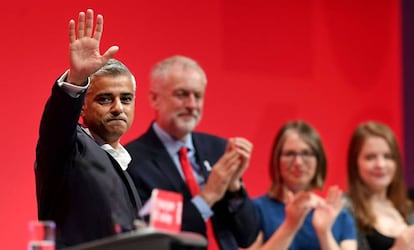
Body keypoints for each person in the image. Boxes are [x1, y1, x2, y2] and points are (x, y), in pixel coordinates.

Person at [125, 55, 260, 249]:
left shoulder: (219, 150)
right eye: (181, 94)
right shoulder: (132, 161)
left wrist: (235, 188)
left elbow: (247, 236)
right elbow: (149, 238)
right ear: (155, 99)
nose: (192, 105)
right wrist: (209, 196)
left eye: (197, 96)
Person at [35, 9, 141, 248]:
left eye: (126, 99)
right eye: (105, 99)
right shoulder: (70, 148)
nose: (117, 108)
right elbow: (56, 127)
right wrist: (76, 80)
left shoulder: (122, 162)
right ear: (82, 107)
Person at [248, 120, 356, 250]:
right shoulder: (256, 210)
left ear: (318, 161)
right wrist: (290, 226)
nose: (298, 162)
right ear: (276, 160)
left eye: (306, 154)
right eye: (289, 154)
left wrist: (324, 233)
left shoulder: (339, 216)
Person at [346, 121, 414, 250]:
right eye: (370, 157)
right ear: (355, 163)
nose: (380, 165)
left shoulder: (408, 208)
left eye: (388, 156)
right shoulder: (346, 210)